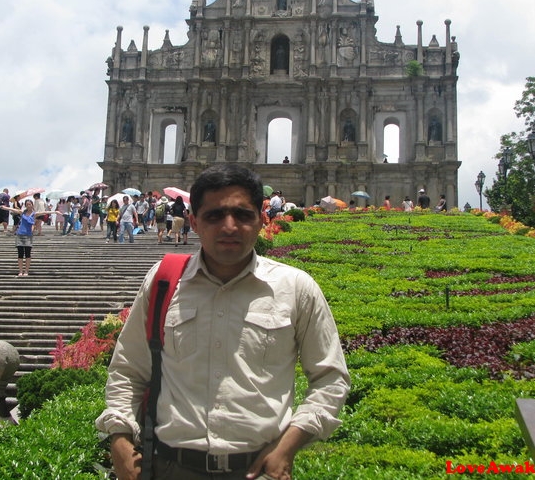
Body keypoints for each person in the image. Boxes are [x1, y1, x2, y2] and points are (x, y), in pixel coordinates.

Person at [95, 164, 350, 480]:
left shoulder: (296, 288)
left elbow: (330, 377)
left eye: (243, 215)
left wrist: (289, 445)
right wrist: (119, 438)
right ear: (194, 221)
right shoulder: (163, 282)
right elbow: (128, 369)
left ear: (261, 218)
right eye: (215, 215)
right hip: (170, 468)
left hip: (259, 472)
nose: (229, 226)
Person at [1, 199, 59, 276]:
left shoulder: (34, 214)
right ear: (26, 205)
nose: (29, 205)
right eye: (27, 204)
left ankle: (26, 271)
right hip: (20, 234)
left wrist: (55, 212)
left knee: (27, 254)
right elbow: (13, 209)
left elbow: (45, 212)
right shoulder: (23, 212)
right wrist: (5, 208)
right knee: (20, 254)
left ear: (32, 205)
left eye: (30, 204)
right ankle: (21, 270)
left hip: (28, 235)